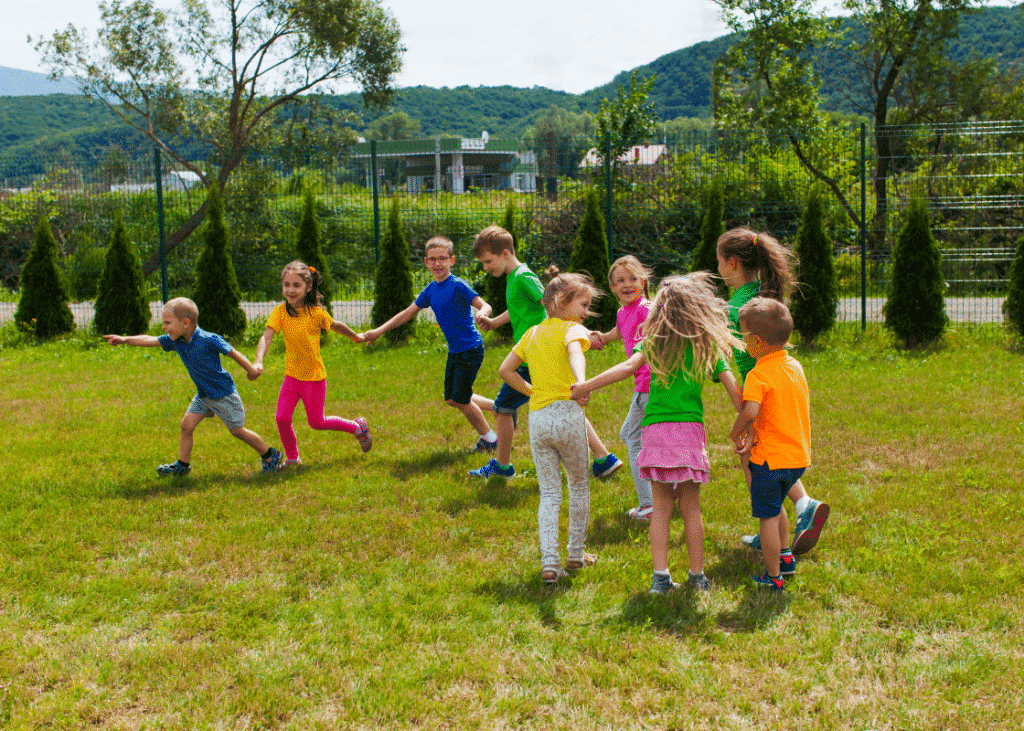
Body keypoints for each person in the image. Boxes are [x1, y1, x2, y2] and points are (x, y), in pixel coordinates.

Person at [573, 273, 742, 594]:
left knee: (661, 509)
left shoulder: (651, 342)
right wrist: (747, 423)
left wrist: (585, 385)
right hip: (690, 433)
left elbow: (625, 369)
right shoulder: (706, 345)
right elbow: (735, 392)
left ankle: (660, 578)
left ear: (660, 309)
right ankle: (697, 578)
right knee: (691, 508)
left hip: (655, 432)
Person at [471, 224, 622, 479]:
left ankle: (502, 466)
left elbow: (554, 307)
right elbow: (522, 311)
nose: (485, 267)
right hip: (530, 353)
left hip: (534, 355)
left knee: (502, 409)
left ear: (505, 253)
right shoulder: (514, 279)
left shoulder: (523, 277)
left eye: (488, 261)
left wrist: (579, 333)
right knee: (562, 404)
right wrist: (496, 322)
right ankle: (603, 458)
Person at [717, 227, 829, 555]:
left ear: (733, 263)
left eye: (719, 261)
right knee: (774, 460)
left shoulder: (738, 307)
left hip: (759, 390)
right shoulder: (760, 292)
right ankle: (784, 523)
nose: (718, 268)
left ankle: (780, 526)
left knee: (757, 463)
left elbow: (726, 346)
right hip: (779, 382)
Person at [498, 272, 603, 583]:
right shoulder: (572, 329)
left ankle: (549, 563)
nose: (586, 312)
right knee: (579, 486)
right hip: (569, 417)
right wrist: (581, 383)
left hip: (539, 419)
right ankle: (575, 554)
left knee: (549, 493)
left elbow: (505, 370)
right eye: (583, 304)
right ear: (561, 302)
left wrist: (531, 392)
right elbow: (574, 353)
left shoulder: (531, 334)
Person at [103, 297, 283, 475]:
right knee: (186, 426)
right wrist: (125, 339)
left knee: (237, 430)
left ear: (185, 322)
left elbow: (232, 353)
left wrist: (252, 370)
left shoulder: (208, 339)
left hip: (222, 395)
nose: (164, 327)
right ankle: (182, 465)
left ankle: (270, 455)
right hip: (204, 395)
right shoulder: (176, 340)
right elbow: (151, 340)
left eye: (167, 322)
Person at [362, 236, 499, 451]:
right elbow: (407, 314)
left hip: (471, 349)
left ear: (452, 260)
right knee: (453, 399)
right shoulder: (430, 290)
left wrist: (483, 313)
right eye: (433, 259)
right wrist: (378, 332)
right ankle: (500, 407)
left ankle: (490, 440)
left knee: (461, 399)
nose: (438, 264)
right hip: (456, 351)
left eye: (443, 258)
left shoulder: (458, 285)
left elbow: (485, 304)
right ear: (426, 262)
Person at [729, 297, 812, 591]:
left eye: (743, 334)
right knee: (777, 506)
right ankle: (786, 556)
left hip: (768, 460)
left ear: (758, 341)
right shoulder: (794, 366)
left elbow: (750, 411)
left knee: (767, 517)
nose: (741, 339)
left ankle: (773, 576)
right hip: (796, 458)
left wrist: (736, 431)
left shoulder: (758, 373)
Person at [253, 260, 370, 466]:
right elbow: (267, 337)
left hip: (314, 379)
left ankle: (356, 427)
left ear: (308, 287)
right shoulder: (279, 312)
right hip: (292, 378)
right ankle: (292, 458)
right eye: (286, 285)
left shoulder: (315, 313)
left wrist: (356, 336)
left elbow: (336, 325)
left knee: (317, 422)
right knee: (282, 419)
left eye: (296, 285)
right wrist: (258, 360)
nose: (290, 290)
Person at [589, 255, 655, 521]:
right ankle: (669, 491)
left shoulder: (647, 309)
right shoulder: (623, 312)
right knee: (643, 437)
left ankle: (649, 504)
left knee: (631, 436)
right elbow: (621, 330)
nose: (627, 284)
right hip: (645, 385)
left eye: (633, 279)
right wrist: (602, 338)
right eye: (620, 281)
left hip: (650, 384)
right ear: (612, 287)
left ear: (643, 281)